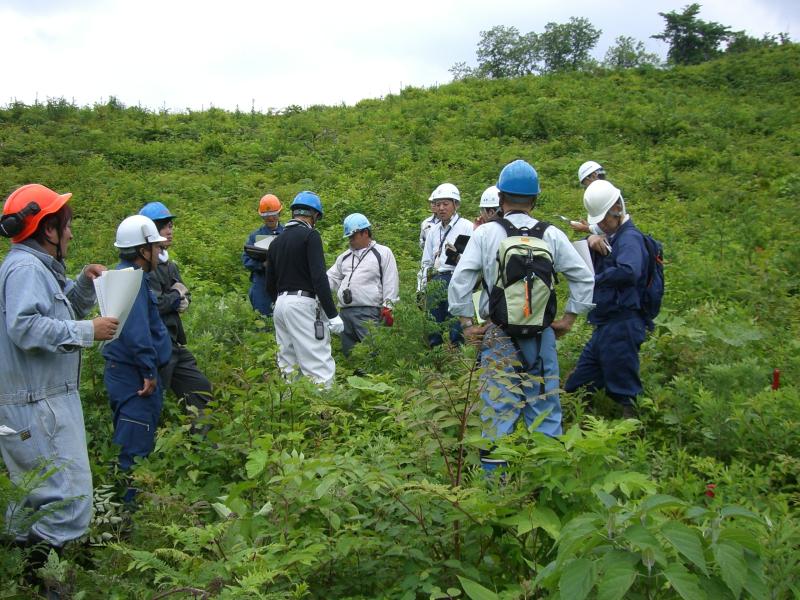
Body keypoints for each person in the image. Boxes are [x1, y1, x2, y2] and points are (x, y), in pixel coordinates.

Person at [0, 183, 118, 587]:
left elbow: (50, 312)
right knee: (69, 503)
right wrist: (89, 330)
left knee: (30, 502)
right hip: (39, 405)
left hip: (32, 402)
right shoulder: (27, 269)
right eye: (65, 225)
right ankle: (49, 585)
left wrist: (84, 284)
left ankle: (19, 578)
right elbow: (25, 326)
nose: (70, 232)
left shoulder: (31, 268)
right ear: (48, 230)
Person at [448, 160, 594, 472]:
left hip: (498, 335)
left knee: (498, 410)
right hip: (541, 337)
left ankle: (494, 489)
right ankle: (545, 481)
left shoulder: (486, 233)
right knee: (544, 409)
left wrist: (467, 324)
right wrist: (568, 319)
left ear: (500, 198)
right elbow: (584, 278)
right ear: (535, 199)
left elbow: (460, 280)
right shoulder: (551, 234)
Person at [564, 180, 649, 419]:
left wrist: (596, 278)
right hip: (605, 324)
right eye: (598, 221)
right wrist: (592, 238)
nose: (601, 225)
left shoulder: (630, 238)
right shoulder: (614, 235)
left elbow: (630, 270)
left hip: (622, 322)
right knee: (578, 384)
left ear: (617, 208)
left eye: (603, 220)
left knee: (625, 387)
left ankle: (631, 433)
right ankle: (583, 421)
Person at [102, 215, 172, 502]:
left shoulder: (124, 276)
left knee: (131, 442)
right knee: (133, 450)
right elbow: (136, 332)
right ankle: (125, 518)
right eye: (154, 247)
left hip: (124, 373)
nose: (159, 252)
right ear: (142, 250)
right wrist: (148, 371)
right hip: (134, 378)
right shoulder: (131, 281)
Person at [139, 202, 212, 431]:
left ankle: (200, 440)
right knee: (151, 399)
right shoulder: (143, 268)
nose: (170, 231)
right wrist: (175, 296)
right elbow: (155, 304)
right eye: (164, 227)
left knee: (200, 388)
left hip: (174, 342)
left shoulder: (168, 264)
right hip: (156, 345)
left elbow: (183, 292)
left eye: (170, 225)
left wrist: (182, 298)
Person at [266, 192, 343, 387]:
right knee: (318, 363)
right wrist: (332, 314)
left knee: (288, 364)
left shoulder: (275, 243)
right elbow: (318, 277)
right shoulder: (310, 236)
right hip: (302, 303)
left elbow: (270, 283)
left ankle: (293, 410)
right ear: (314, 215)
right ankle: (325, 413)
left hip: (280, 305)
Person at [327, 213, 400, 356]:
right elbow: (331, 278)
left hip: (369, 311)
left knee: (373, 352)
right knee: (350, 354)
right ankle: (355, 376)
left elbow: (390, 280)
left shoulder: (382, 253)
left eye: (353, 237)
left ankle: (377, 378)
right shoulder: (344, 257)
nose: (350, 241)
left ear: (365, 233)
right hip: (345, 313)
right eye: (348, 237)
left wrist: (389, 306)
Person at [417, 183, 474, 347]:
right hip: (435, 280)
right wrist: (421, 289)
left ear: (455, 204)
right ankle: (437, 362)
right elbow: (426, 262)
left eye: (446, 204)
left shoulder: (467, 227)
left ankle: (459, 363)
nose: (441, 208)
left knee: (457, 325)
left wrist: (458, 257)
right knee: (434, 325)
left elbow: (475, 260)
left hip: (458, 279)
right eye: (438, 204)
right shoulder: (433, 231)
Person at [243, 194, 285, 317]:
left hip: (284, 284)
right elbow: (246, 260)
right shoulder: (255, 237)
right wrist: (262, 264)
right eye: (266, 216)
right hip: (262, 286)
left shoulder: (287, 233)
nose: (271, 218)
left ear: (279, 213)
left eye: (273, 215)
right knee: (262, 322)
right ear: (262, 216)